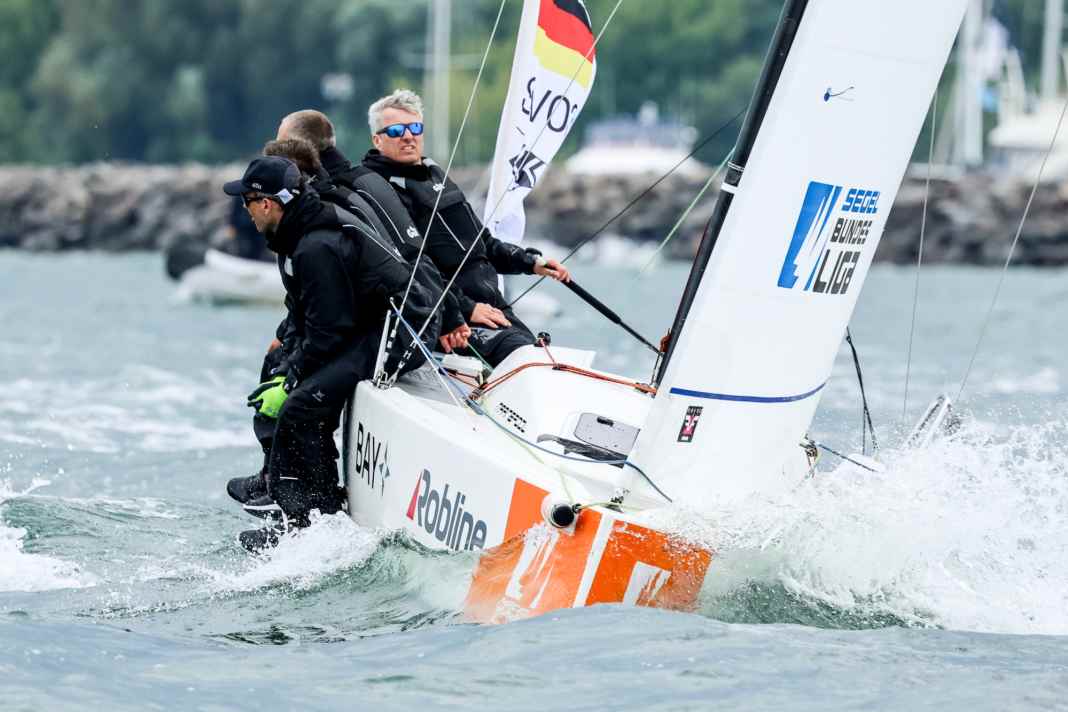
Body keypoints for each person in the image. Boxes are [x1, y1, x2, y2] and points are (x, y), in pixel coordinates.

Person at [222, 155, 439, 551]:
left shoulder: (315, 245)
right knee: (280, 372)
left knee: (300, 405)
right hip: (363, 325)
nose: (245, 211)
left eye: (247, 202)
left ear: (267, 203)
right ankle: (290, 494)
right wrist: (285, 367)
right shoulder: (295, 235)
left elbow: (328, 333)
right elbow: (305, 316)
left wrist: (292, 381)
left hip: (401, 335)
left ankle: (308, 521)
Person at [278, 98, 571, 366]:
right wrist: (462, 310)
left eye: (414, 127)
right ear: (377, 139)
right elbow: (409, 265)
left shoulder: (434, 175)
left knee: (543, 360)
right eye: (396, 131)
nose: (408, 136)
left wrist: (530, 262)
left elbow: (482, 243)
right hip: (450, 313)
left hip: (491, 305)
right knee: (525, 362)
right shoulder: (376, 188)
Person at [275, 110, 471, 354]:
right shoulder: (366, 179)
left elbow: (409, 255)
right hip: (405, 314)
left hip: (396, 325)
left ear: (300, 147)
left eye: (281, 143)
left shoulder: (338, 192)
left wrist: (453, 316)